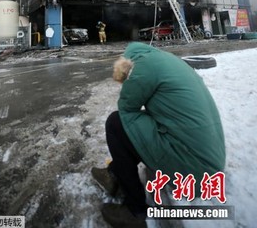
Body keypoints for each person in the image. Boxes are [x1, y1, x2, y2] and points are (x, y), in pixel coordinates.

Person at [92, 42, 226, 228]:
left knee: (116, 123)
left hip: (195, 171)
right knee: (140, 123)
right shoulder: (168, 60)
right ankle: (115, 173)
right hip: (209, 162)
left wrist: (127, 80)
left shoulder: (145, 66)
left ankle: (134, 210)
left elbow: (126, 108)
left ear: (129, 61)